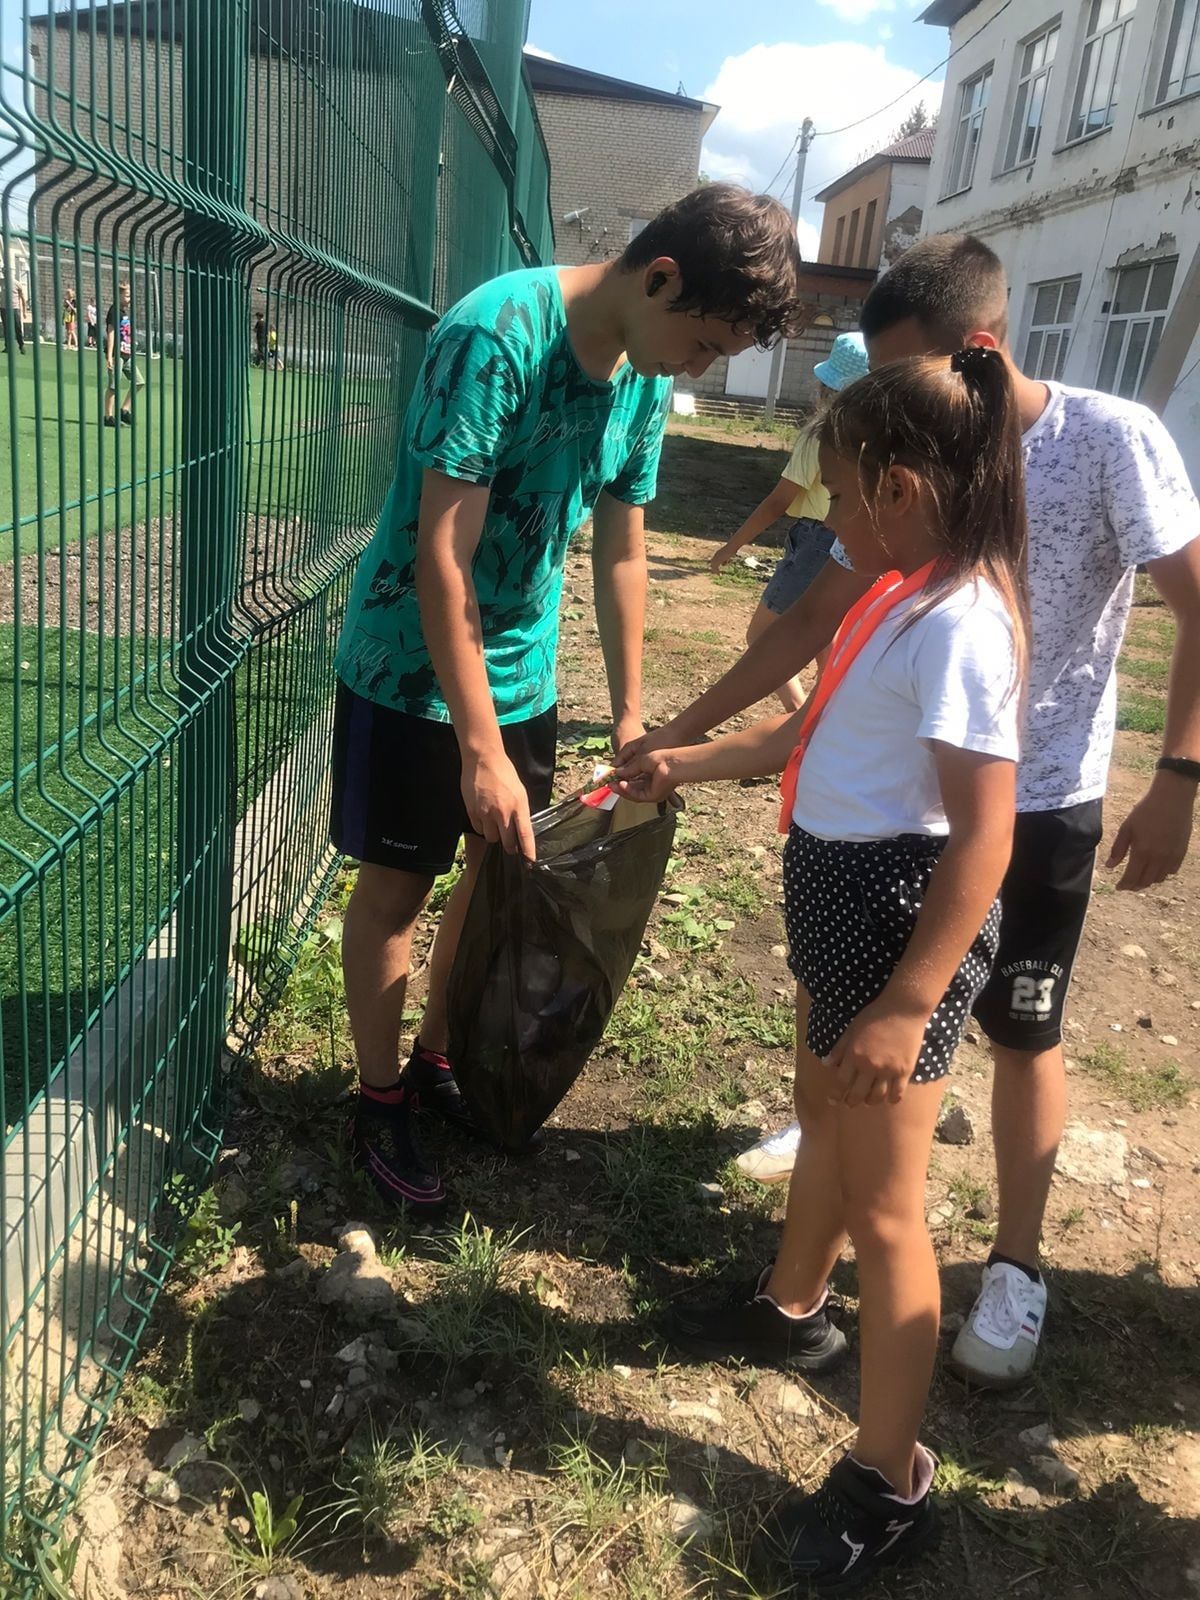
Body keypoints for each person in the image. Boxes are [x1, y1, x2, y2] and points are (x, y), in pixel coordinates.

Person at [618, 234, 1200, 1387]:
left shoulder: (1100, 444)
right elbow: (802, 630)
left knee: (1021, 1027)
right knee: (844, 1044)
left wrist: (1179, 775)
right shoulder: (897, 507)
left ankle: (1016, 1264)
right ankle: (807, 1262)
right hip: (893, 817)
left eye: (904, 374)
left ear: (970, 356)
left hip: (1030, 805)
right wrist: (674, 737)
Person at [617, 347, 1028, 1588]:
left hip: (899, 934)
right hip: (846, 919)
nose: (829, 518)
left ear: (900, 485)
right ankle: (791, 1307)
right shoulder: (894, 594)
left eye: (839, 496)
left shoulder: (959, 623)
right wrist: (682, 762)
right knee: (821, 1123)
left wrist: (909, 1002)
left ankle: (892, 1477)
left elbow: (988, 834)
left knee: (891, 1209)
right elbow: (812, 729)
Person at [330, 184, 804, 1213]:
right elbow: (441, 555)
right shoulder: (495, 335)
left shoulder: (640, 376)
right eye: (704, 343)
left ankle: (438, 1056)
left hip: (525, 673)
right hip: (411, 672)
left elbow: (624, 549)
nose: (698, 369)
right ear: (660, 276)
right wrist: (476, 745)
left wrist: (632, 709)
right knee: (399, 888)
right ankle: (378, 1099)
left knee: (500, 878)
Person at [709, 331, 869, 713]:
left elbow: (780, 500)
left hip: (815, 539)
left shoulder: (819, 435)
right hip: (854, 544)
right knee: (825, 640)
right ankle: (826, 719)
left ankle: (801, 719)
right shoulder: (874, 438)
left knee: (761, 634)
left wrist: (732, 545)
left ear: (826, 385)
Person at [104, 281, 145, 426]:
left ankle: (124, 410)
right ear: (118, 295)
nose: (129, 298)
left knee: (139, 382)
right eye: (127, 295)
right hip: (117, 354)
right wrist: (109, 355)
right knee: (113, 386)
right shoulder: (114, 311)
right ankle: (108, 417)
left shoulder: (123, 312)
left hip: (127, 354)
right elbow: (111, 333)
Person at [2, 266, 27, 355]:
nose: (4, 273)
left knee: (17, 327)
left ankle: (21, 345)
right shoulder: (2, 282)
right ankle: (7, 346)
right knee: (6, 328)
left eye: (5, 272)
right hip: (4, 309)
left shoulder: (17, 283)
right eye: (3, 271)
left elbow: (23, 298)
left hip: (14, 308)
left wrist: (24, 311)